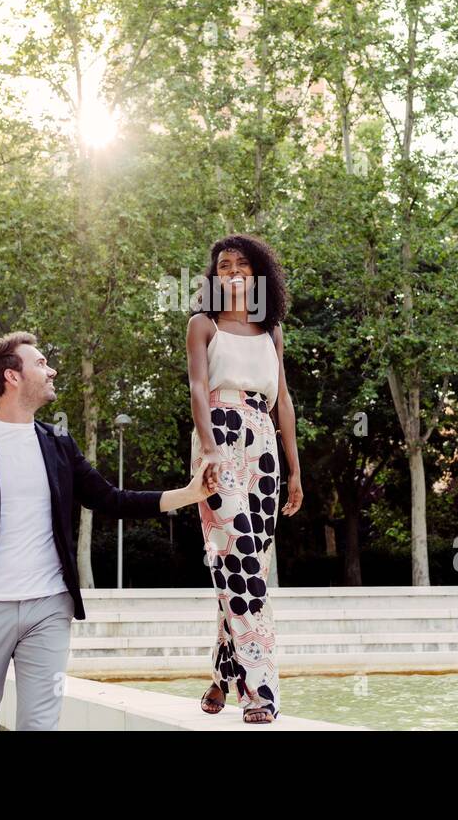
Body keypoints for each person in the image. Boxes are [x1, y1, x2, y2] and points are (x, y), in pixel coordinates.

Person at [0, 331, 215, 731]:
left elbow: (110, 499)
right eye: (40, 363)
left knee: (41, 725)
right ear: (12, 377)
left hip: (49, 608)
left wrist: (187, 494)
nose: (51, 369)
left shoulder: (57, 442)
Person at [186, 234, 303, 725]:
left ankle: (221, 673)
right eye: (223, 264)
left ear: (257, 275)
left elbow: (284, 401)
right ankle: (261, 690)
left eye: (242, 264)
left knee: (247, 562)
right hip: (218, 440)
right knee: (238, 563)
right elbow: (196, 386)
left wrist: (296, 468)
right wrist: (210, 447)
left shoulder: (270, 330)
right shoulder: (203, 325)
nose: (232, 270)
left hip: (263, 448)